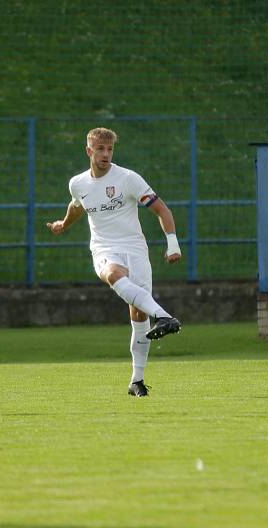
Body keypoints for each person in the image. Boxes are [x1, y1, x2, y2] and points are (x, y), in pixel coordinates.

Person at [46, 127, 182, 397]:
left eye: (109, 149)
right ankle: (165, 317)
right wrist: (63, 223)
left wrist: (173, 244)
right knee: (112, 274)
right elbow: (76, 205)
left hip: (135, 249)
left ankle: (137, 381)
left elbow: (161, 209)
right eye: (100, 149)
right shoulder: (78, 183)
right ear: (89, 151)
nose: (105, 154)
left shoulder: (128, 178)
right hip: (104, 248)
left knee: (138, 314)